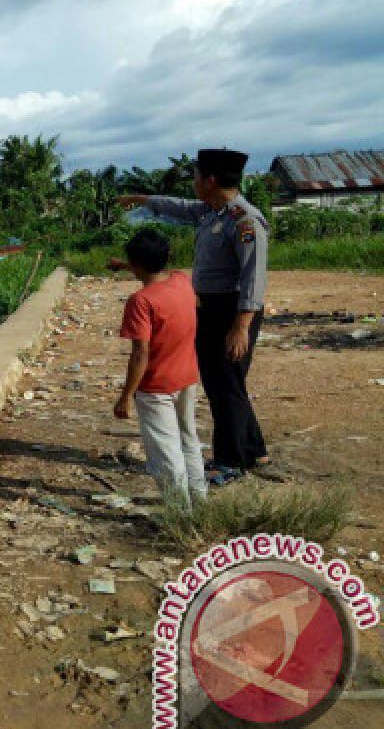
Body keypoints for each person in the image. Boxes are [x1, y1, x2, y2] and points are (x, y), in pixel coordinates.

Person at [113, 149, 270, 485]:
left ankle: (231, 461)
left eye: (196, 177)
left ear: (210, 181)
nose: (194, 184)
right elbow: (177, 206)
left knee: (224, 385)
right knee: (227, 381)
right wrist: (141, 198)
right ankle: (253, 448)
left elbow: (252, 279)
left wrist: (241, 327)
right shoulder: (213, 212)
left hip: (233, 311)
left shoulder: (245, 221)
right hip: (210, 309)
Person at [112, 229, 207, 511]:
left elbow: (141, 352)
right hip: (187, 377)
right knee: (189, 440)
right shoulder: (181, 280)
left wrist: (125, 395)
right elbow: (154, 270)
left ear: (137, 265)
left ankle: (181, 514)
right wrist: (127, 265)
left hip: (156, 388)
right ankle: (199, 500)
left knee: (166, 453)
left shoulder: (141, 301)